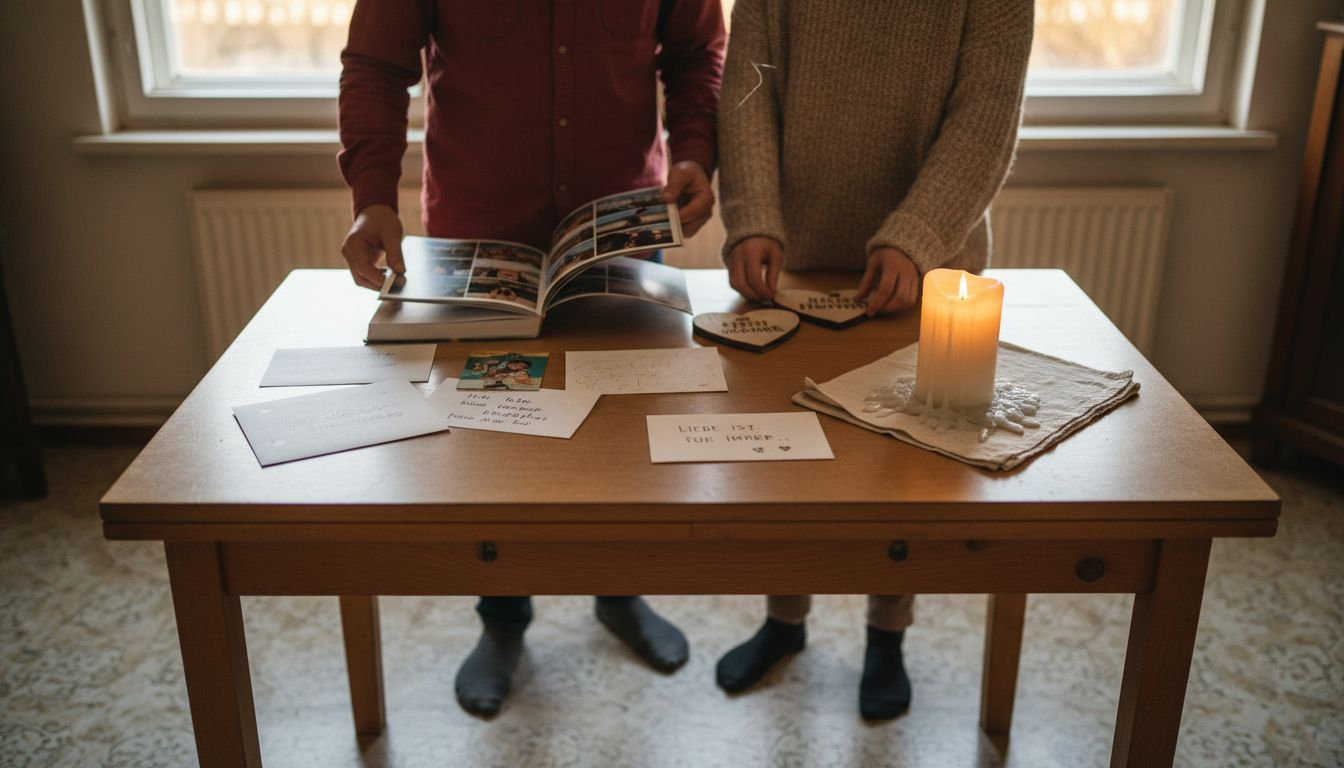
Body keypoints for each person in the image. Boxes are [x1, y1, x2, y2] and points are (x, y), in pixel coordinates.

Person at [337, 0, 725, 717]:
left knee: (621, 438)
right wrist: (371, 195)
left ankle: (618, 589)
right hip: (481, 239)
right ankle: (503, 621)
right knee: (489, 445)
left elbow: (697, 51)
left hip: (622, 235)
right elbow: (376, 64)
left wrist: (696, 148)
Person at [715, 0, 1033, 721]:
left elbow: (986, 118)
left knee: (902, 474)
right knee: (787, 468)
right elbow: (749, 86)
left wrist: (915, 235)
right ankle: (785, 619)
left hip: (926, 267)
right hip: (792, 260)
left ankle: (887, 636)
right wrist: (753, 212)